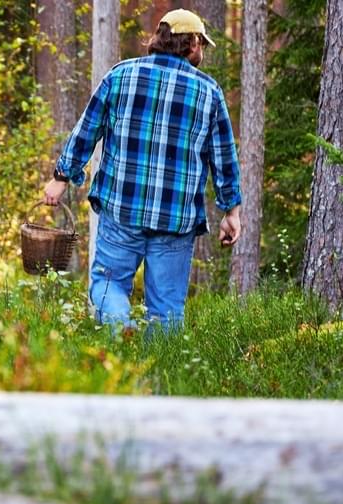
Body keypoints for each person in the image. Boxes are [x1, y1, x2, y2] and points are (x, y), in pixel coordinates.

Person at [43, 9, 243, 334]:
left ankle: (120, 335)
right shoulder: (209, 92)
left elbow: (87, 131)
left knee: (108, 287)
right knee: (166, 309)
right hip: (175, 220)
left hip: (121, 209)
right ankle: (158, 377)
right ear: (190, 43)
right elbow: (224, 157)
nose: (202, 52)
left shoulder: (120, 76)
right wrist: (231, 211)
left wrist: (60, 178)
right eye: (201, 44)